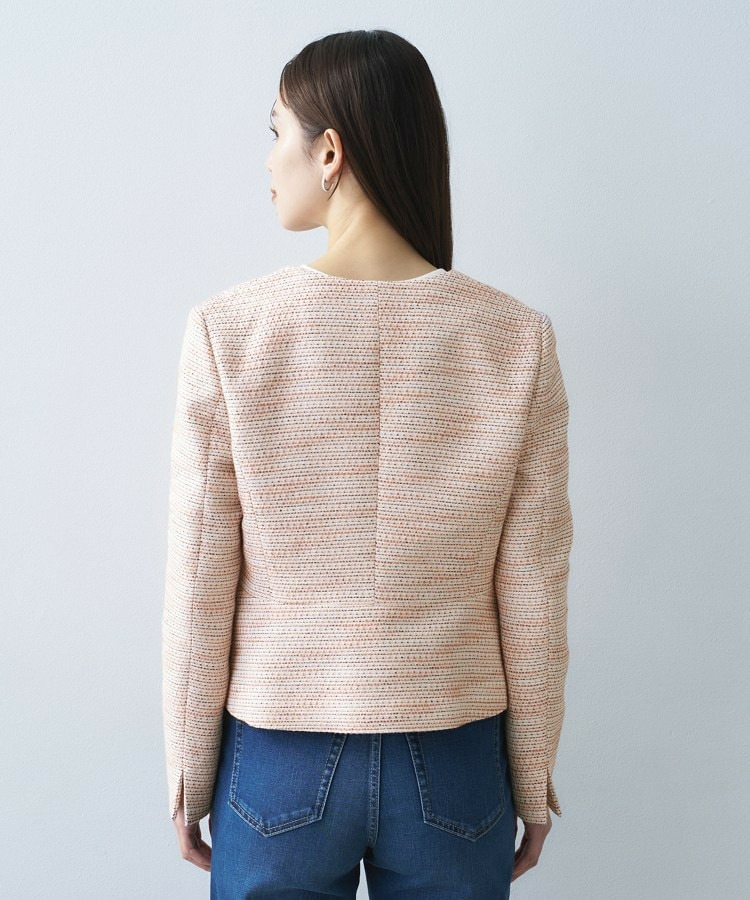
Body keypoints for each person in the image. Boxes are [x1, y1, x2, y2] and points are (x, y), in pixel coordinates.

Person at [161, 28, 573, 899]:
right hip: (455, 755)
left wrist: (190, 773)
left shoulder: (231, 332)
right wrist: (532, 772)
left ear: (330, 151)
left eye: (275, 131)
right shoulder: (515, 340)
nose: (268, 158)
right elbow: (534, 587)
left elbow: (201, 578)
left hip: (278, 751)